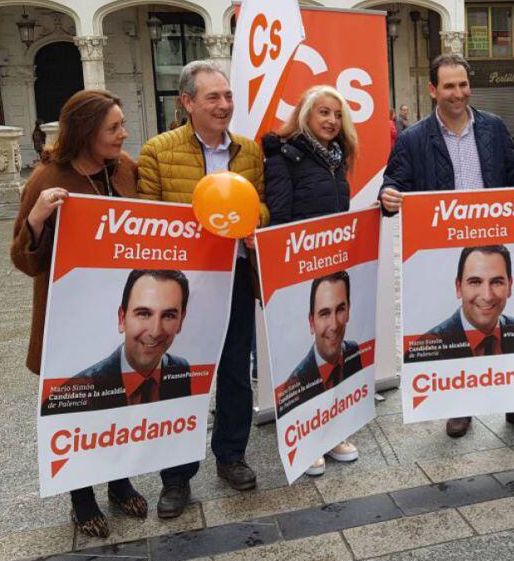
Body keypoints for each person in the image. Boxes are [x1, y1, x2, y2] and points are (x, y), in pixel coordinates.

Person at [380, 53, 514, 439]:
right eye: (449, 85)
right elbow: (394, 181)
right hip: (445, 250)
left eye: (463, 84)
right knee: (457, 327)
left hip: (495, 240)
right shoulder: (414, 139)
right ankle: (458, 407)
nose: (458, 93)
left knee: (511, 324)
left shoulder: (493, 127)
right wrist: (389, 196)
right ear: (433, 90)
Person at [11, 89, 146, 538]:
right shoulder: (49, 177)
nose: (124, 134)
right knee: (77, 405)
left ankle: (120, 480)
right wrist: (36, 219)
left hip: (119, 314)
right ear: (86, 131)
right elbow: (23, 258)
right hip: (69, 318)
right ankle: (82, 496)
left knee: (120, 400)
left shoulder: (125, 169)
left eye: (122, 124)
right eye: (114, 128)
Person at [138, 60, 268, 518]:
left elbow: (262, 207)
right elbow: (146, 218)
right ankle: (176, 478)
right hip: (180, 289)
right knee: (179, 378)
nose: (224, 105)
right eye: (213, 97)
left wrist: (257, 225)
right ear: (187, 103)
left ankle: (231, 457)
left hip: (233, 280)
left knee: (235, 372)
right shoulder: (157, 151)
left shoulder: (250, 152)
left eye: (228, 96)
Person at [263, 84, 360, 475]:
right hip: (299, 269)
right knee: (300, 355)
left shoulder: (337, 157)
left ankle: (330, 429)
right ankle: (303, 434)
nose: (331, 121)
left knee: (330, 351)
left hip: (332, 267)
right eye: (323, 112)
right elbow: (280, 217)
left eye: (337, 115)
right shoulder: (284, 156)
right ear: (305, 115)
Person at [42, 270, 192, 415]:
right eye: (144, 314)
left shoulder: (180, 369)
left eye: (169, 316)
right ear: (122, 319)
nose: (155, 331)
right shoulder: (74, 393)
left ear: (181, 321)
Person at [407, 246, 514, 363]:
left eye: (496, 282)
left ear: (510, 286)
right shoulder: (426, 349)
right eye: (475, 282)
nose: (487, 296)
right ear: (458, 287)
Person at [280, 273, 363, 413]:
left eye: (340, 309)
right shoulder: (293, 387)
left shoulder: (353, 351)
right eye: (324, 313)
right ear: (311, 322)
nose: (334, 325)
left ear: (348, 310)